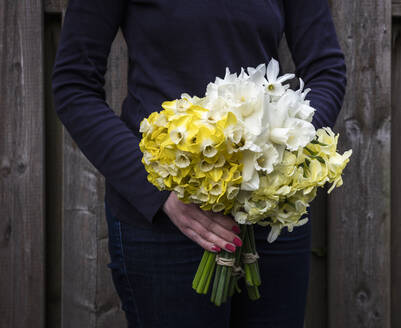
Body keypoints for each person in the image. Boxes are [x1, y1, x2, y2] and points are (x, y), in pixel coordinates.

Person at [52, 1, 346, 327]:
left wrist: (284, 153)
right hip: (167, 217)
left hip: (268, 215)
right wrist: (157, 188)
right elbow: (74, 86)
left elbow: (326, 70)